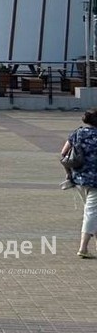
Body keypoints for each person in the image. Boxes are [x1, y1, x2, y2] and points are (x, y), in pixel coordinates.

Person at [62, 109, 97, 257]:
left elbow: (63, 153)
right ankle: (83, 248)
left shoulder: (77, 133)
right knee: (91, 213)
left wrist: (69, 173)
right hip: (95, 181)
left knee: (93, 213)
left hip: (79, 179)